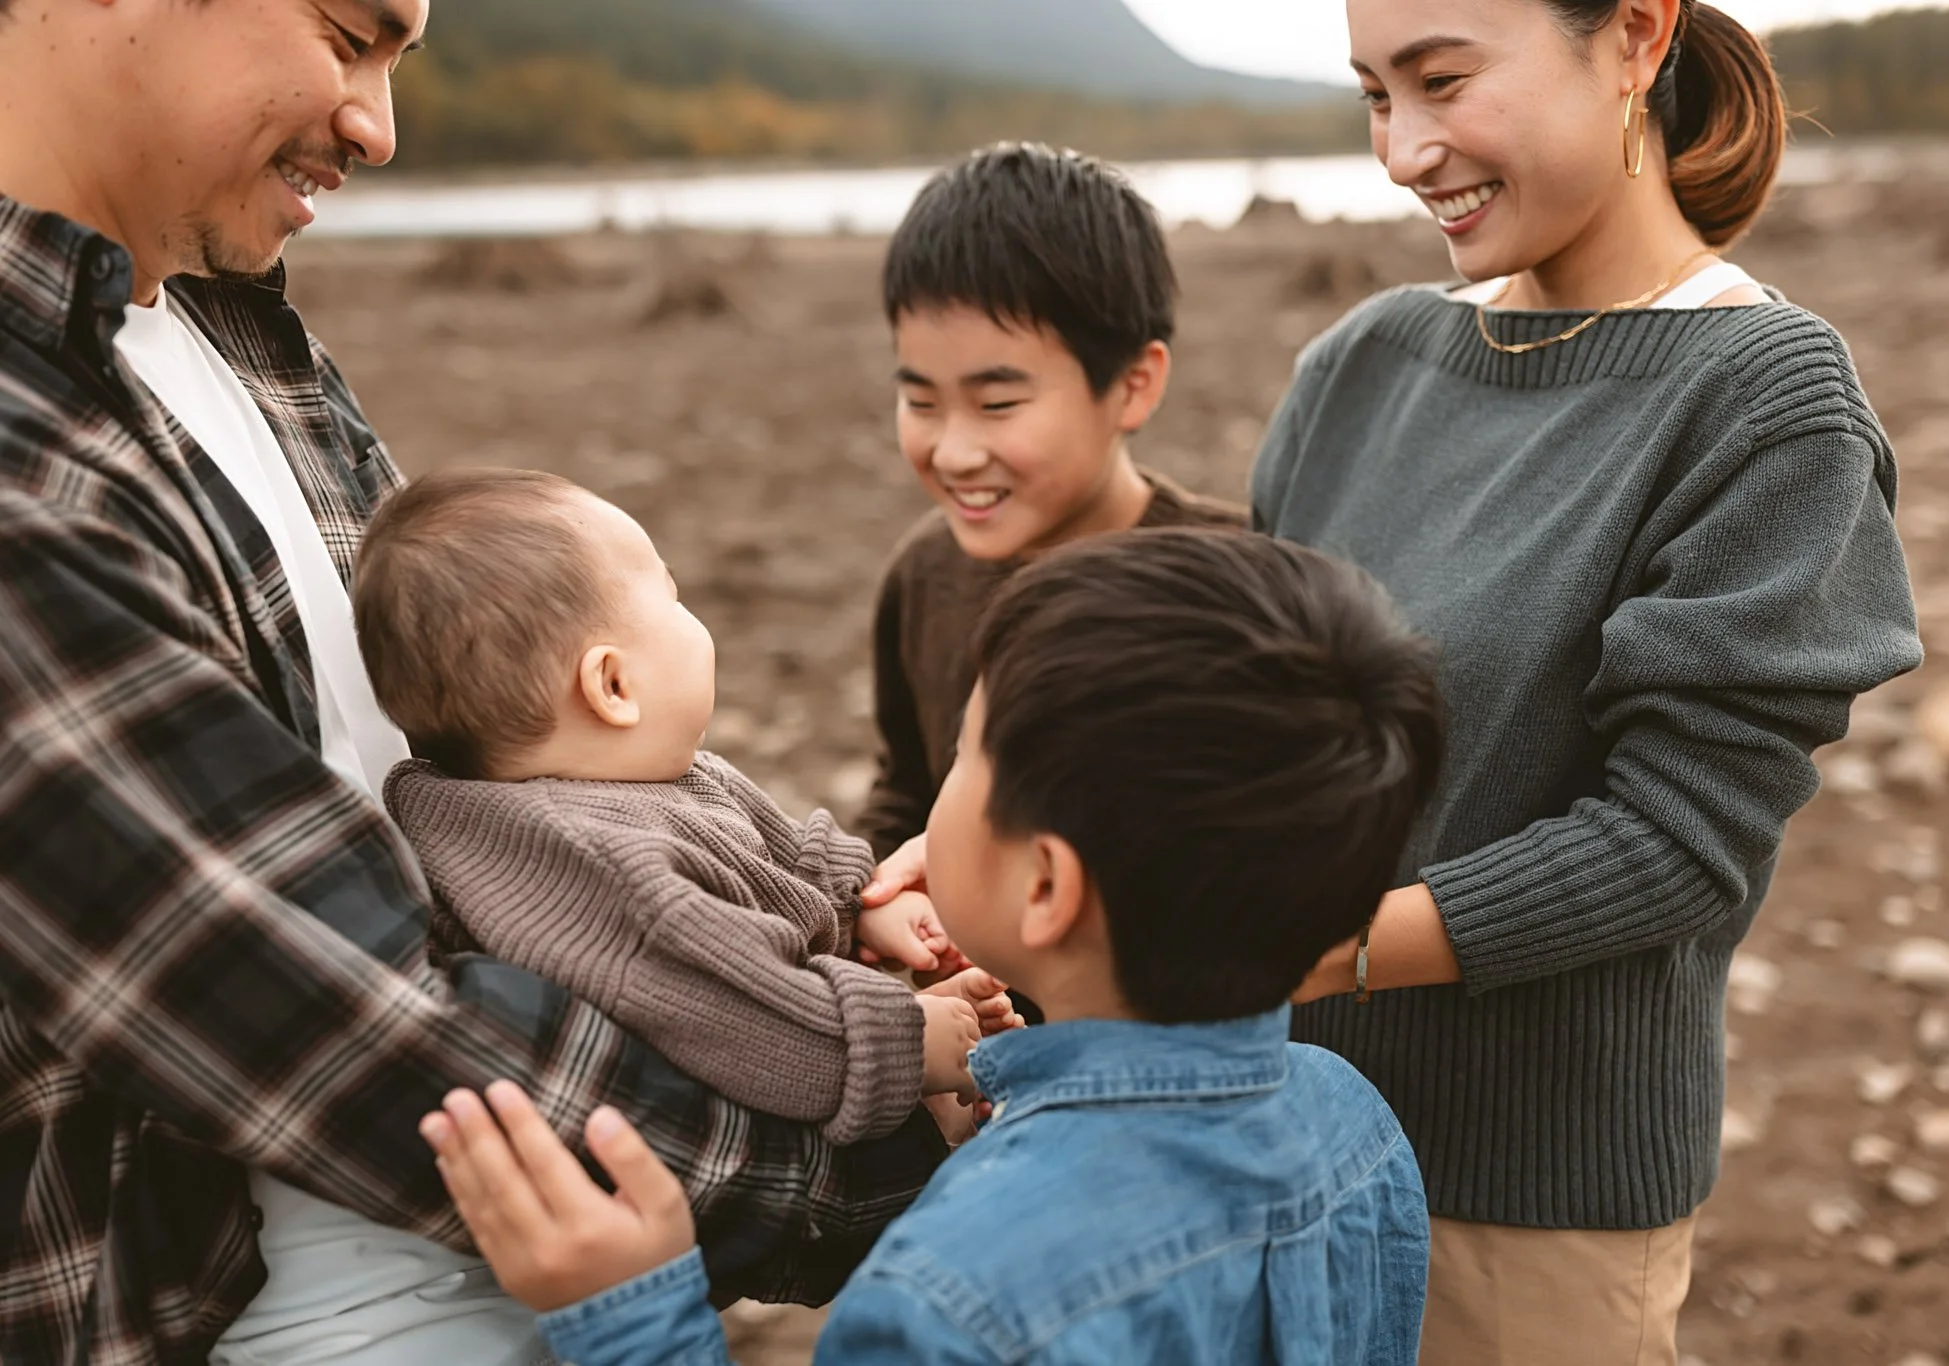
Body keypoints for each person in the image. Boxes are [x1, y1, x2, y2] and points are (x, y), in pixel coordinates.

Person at [0, 3, 945, 1363]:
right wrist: (923, 1127)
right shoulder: (26, 459)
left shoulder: (225, 333)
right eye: (349, 35)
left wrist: (816, 906)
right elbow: (370, 1035)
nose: (379, 127)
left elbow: (526, 805)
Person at [1254, 2, 1924, 1362]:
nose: (1402, 151)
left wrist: (1310, 949)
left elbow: (1678, 840)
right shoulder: (1363, 363)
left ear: (1634, 37)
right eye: (1374, 96)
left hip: (1523, 1206)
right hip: (1260, 1133)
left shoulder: (1766, 398)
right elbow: (1245, 707)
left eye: (1442, 81)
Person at [422, 528, 1444, 1366]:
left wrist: (632, 1319)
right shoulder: (1351, 1118)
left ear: (1042, 886)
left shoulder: (948, 1303)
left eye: (965, 754)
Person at [353, 467, 1021, 1147]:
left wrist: (863, 905)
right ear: (613, 684)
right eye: (672, 599)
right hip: (738, 1148)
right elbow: (742, 1014)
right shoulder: (597, 868)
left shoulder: (655, 777)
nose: (691, 617)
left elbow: (778, 857)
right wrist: (906, 1042)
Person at [852, 142, 1243, 871]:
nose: (954, 451)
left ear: (1133, 384)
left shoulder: (1237, 585)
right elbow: (907, 791)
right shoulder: (924, 577)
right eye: (920, 400)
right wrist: (862, 899)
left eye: (997, 404)